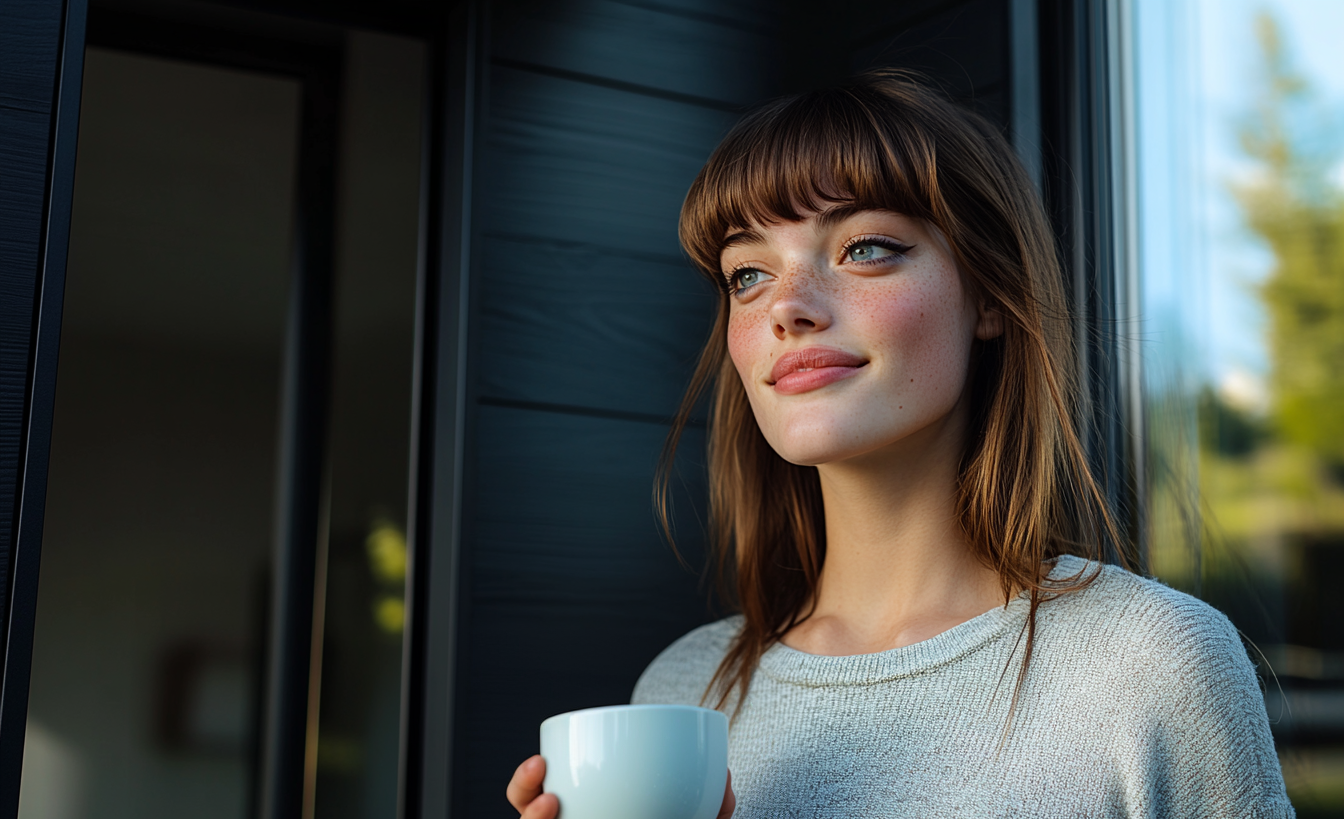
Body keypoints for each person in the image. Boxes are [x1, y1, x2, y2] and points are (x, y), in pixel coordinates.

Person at [506, 71, 1294, 818]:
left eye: (865, 247)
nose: (788, 308)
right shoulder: (682, 694)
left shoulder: (1152, 666)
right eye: (748, 273)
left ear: (987, 295)